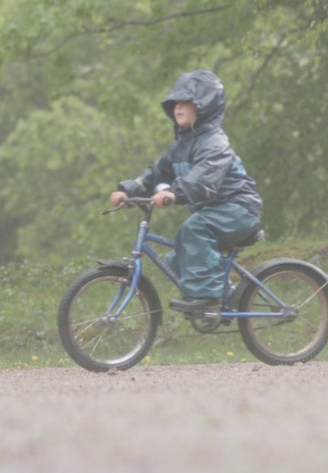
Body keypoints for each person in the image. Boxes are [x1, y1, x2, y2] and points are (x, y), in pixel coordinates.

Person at [110, 70, 263, 312]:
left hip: (238, 208)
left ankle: (209, 300)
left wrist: (174, 194)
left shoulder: (214, 142)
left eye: (185, 103)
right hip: (215, 210)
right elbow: (158, 172)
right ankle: (223, 298)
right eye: (175, 103)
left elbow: (204, 179)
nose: (178, 108)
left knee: (193, 231)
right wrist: (129, 190)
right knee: (179, 258)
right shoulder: (181, 146)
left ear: (204, 107)